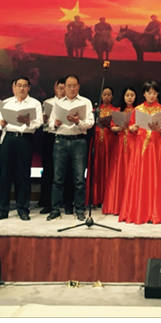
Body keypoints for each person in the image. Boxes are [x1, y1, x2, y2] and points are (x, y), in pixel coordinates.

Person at [0, 77, 43, 221]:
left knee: (23, 175)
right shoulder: (6, 103)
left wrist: (28, 122)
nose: (21, 88)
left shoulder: (35, 103)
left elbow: (39, 123)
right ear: (13, 87)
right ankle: (2, 210)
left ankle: (23, 209)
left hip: (24, 139)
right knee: (5, 175)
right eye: (19, 85)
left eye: (25, 86)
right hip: (8, 138)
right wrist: (2, 123)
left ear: (29, 88)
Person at [119, 81, 161, 224]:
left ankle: (154, 213)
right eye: (149, 92)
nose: (152, 95)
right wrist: (133, 128)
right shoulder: (138, 109)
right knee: (140, 175)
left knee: (155, 176)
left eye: (154, 93)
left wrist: (158, 128)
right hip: (140, 146)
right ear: (144, 94)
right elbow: (131, 128)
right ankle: (138, 211)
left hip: (155, 146)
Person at [47, 75, 94, 221]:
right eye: (69, 86)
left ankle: (79, 209)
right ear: (64, 87)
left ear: (78, 86)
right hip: (60, 141)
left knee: (79, 179)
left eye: (74, 86)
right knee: (57, 178)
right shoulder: (58, 103)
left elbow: (90, 123)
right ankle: (55, 209)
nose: (71, 88)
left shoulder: (85, 102)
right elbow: (50, 124)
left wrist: (78, 121)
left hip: (78, 141)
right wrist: (55, 124)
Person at [102, 86, 137, 215]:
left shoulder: (138, 111)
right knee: (120, 172)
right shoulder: (118, 111)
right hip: (121, 143)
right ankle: (118, 205)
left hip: (134, 143)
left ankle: (132, 205)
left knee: (132, 172)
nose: (129, 98)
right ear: (123, 97)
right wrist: (121, 128)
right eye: (127, 95)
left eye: (132, 95)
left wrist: (133, 128)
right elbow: (113, 128)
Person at [88, 86, 118, 207]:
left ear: (112, 96)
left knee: (109, 169)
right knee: (96, 168)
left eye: (109, 94)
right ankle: (95, 198)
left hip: (110, 142)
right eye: (104, 94)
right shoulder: (95, 110)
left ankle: (108, 198)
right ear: (101, 95)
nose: (106, 97)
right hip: (96, 141)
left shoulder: (116, 110)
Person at [39, 78, 66, 214]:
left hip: (65, 137)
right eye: (59, 88)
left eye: (64, 88)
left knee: (65, 171)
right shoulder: (48, 103)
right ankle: (47, 202)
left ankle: (66, 202)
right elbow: (40, 123)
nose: (62, 91)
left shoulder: (70, 103)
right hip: (50, 137)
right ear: (55, 89)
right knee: (48, 170)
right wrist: (44, 120)